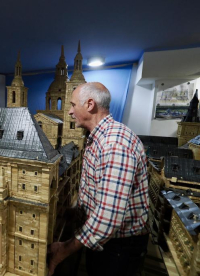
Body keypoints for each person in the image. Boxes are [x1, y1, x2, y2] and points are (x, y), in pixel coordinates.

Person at [47, 82, 149, 276]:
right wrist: (74, 212)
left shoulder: (114, 144)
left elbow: (107, 219)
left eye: (73, 105)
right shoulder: (98, 139)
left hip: (119, 249)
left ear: (90, 105)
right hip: (107, 243)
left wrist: (64, 249)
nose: (69, 111)